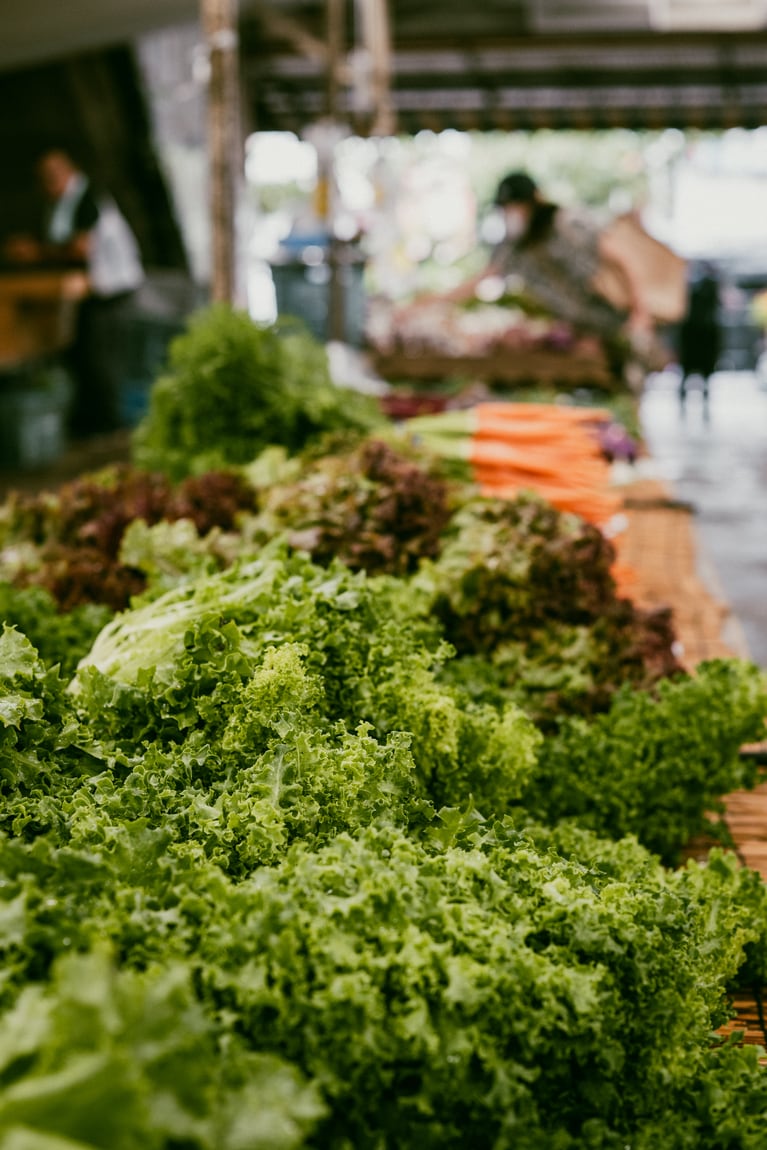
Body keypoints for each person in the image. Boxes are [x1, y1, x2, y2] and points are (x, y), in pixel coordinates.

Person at [403, 169, 659, 382]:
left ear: (534, 200)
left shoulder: (568, 223)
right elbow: (482, 279)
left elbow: (624, 260)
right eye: (506, 209)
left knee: (634, 381)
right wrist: (428, 303)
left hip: (621, 321)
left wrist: (641, 313)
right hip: (591, 334)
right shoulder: (515, 247)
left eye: (517, 206)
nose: (512, 214)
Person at [4, 148, 145, 436]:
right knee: (84, 355)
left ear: (69, 171)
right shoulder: (61, 204)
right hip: (93, 294)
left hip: (112, 291)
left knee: (103, 360)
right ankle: (93, 424)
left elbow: (80, 248)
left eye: (53, 176)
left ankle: (110, 428)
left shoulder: (87, 198)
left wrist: (36, 253)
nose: (47, 184)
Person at [677, 260, 721, 402]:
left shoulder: (694, 287)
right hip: (697, 334)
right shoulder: (704, 286)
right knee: (691, 370)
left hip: (697, 334)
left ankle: (695, 393)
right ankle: (688, 394)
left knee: (695, 369)